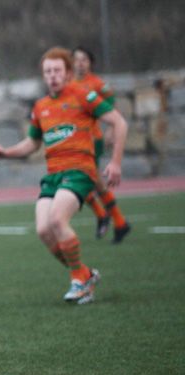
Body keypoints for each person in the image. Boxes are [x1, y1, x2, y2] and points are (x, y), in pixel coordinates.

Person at [0, 47, 128, 304]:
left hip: (79, 170)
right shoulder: (41, 107)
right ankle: (84, 274)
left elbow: (119, 122)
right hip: (54, 175)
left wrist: (116, 162)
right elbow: (32, 143)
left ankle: (79, 281)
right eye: (47, 71)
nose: (52, 75)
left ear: (67, 74)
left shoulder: (83, 95)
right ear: (43, 76)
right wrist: (6, 153)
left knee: (57, 219)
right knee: (44, 230)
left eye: (57, 70)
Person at [72, 45, 132, 243]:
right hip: (74, 141)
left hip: (91, 140)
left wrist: (111, 130)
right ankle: (116, 220)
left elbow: (112, 110)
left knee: (87, 180)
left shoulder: (97, 84)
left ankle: (109, 217)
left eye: (84, 60)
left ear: (90, 63)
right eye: (76, 59)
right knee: (87, 181)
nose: (80, 63)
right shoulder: (69, 84)